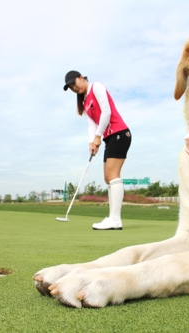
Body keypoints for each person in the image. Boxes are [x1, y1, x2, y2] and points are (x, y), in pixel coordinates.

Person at [63, 70, 132, 230]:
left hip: (120, 133)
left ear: (81, 78)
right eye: (70, 87)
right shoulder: (84, 103)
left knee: (113, 175)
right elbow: (91, 126)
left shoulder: (97, 87)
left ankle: (115, 220)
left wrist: (98, 137)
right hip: (109, 138)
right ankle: (113, 218)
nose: (74, 88)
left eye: (74, 83)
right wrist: (91, 142)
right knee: (108, 178)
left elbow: (106, 112)